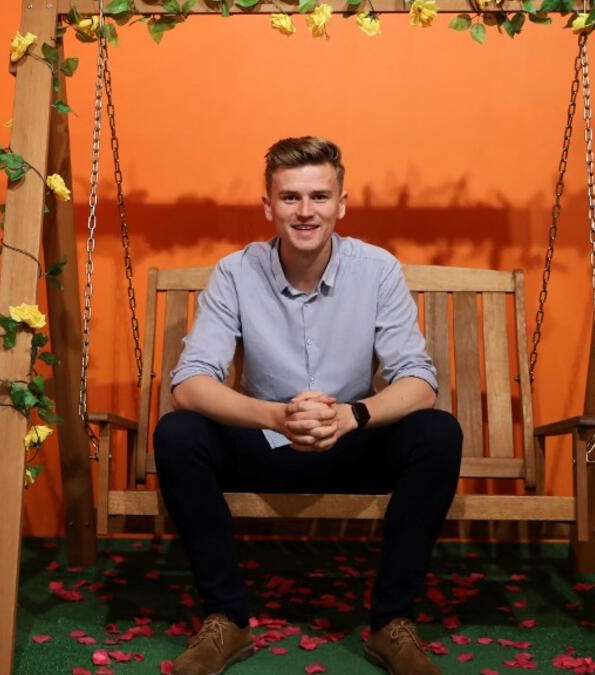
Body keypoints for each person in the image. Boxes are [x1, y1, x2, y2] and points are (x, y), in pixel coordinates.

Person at [154, 136, 463, 675]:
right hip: (267, 442)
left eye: (319, 196)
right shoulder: (235, 272)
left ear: (341, 204)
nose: (305, 211)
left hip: (351, 442)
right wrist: (276, 417)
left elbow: (419, 380)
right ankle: (226, 620)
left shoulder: (378, 269)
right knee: (178, 433)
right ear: (268, 206)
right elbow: (190, 381)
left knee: (437, 433)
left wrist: (351, 415)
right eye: (290, 197)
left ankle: (392, 623)